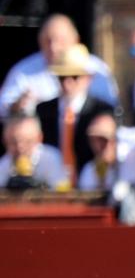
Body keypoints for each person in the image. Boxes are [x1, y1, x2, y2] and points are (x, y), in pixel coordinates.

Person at [1, 14, 119, 115]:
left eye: (60, 40)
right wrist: (16, 106)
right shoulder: (23, 70)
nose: (53, 47)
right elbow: (3, 108)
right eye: (47, 41)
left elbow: (111, 108)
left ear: (75, 40)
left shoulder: (95, 68)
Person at [34, 45, 116, 188]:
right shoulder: (43, 110)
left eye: (75, 76)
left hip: (91, 184)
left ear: (88, 78)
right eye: (62, 77)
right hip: (51, 187)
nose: (67, 83)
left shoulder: (102, 111)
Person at [77, 111, 135, 224]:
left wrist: (123, 134)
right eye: (94, 140)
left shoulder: (134, 159)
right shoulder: (91, 170)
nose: (99, 146)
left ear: (115, 140)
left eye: (104, 140)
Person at [0, 114, 68, 190]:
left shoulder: (51, 159)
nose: (20, 147)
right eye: (13, 142)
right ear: (4, 141)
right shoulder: (3, 164)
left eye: (27, 141)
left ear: (39, 138)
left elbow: (60, 194)